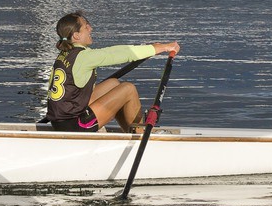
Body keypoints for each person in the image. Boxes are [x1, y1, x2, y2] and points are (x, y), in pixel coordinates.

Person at [45, 12, 179, 134]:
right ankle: (140, 134)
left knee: (113, 83)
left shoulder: (65, 54)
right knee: (128, 89)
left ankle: (129, 131)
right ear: (76, 35)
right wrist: (161, 47)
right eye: (86, 27)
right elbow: (120, 53)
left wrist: (149, 49)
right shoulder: (84, 57)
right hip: (75, 126)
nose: (90, 29)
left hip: (60, 121)